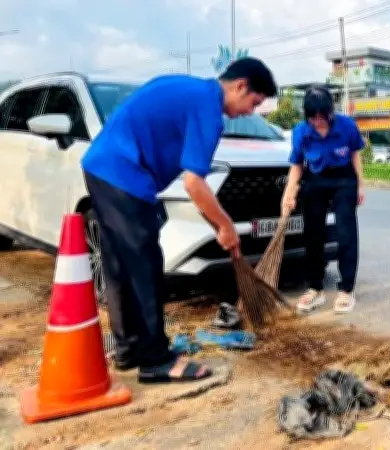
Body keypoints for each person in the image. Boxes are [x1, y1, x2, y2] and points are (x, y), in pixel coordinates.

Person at [80, 57, 278, 383]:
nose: (249, 112)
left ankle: (129, 350)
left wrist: (219, 225)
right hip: (124, 174)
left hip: (101, 167)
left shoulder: (188, 87)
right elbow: (194, 183)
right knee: (144, 269)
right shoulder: (208, 109)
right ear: (241, 85)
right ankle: (156, 360)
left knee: (120, 267)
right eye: (253, 103)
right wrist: (225, 226)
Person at [281, 85, 365, 314]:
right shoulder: (301, 132)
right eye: (312, 117)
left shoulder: (347, 125)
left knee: (346, 232)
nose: (318, 121)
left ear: (330, 111)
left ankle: (347, 289)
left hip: (343, 179)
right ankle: (314, 288)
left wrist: (360, 185)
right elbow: (297, 164)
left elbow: (356, 155)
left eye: (322, 116)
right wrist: (290, 191)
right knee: (312, 234)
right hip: (315, 179)